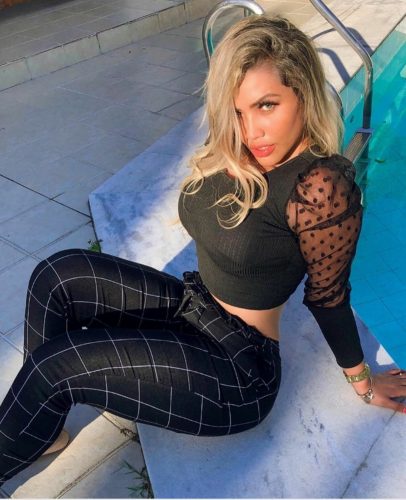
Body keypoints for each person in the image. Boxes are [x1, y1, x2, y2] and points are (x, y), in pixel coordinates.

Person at [0, 15, 405, 486]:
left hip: (236, 370)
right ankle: (40, 426)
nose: (251, 131)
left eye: (267, 105)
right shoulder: (236, 145)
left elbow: (328, 297)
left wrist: (362, 380)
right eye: (237, 111)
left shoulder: (320, 186)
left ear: (304, 93)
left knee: (56, 366)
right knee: (57, 275)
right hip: (194, 309)